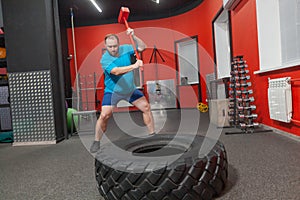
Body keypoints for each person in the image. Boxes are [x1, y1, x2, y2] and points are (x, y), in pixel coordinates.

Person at [90, 28, 155, 153]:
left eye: (115, 46)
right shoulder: (105, 59)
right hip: (112, 91)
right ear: (106, 46)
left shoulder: (125, 48)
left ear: (118, 44)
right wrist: (134, 66)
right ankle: (96, 141)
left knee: (146, 107)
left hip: (129, 89)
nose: (113, 49)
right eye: (110, 47)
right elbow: (116, 71)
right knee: (104, 115)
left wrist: (134, 36)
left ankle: (153, 135)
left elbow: (142, 47)